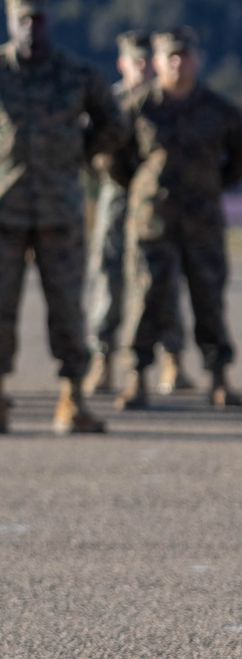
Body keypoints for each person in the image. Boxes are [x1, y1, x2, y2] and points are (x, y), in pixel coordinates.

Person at [0, 0, 125, 435]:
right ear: (10, 22)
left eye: (37, 20)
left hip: (60, 210)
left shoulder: (78, 75)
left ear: (48, 21)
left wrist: (77, 155)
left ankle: (72, 399)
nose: (31, 28)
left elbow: (113, 125)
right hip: (2, 211)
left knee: (67, 307)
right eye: (22, 20)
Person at [112, 26, 242, 409]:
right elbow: (112, 157)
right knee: (146, 297)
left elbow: (238, 157)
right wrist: (141, 186)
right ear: (156, 62)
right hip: (153, 220)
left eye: (183, 55)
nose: (177, 63)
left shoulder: (219, 110)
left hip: (202, 220)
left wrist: (214, 184)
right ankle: (137, 377)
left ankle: (218, 377)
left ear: (195, 59)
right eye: (169, 56)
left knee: (209, 299)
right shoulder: (138, 108)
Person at [85, 32, 193, 397]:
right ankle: (102, 360)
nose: (145, 69)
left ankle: (172, 356)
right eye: (137, 62)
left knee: (163, 280)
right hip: (117, 200)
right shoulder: (111, 102)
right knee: (108, 278)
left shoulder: (166, 102)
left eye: (150, 62)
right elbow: (93, 151)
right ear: (123, 64)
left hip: (159, 205)